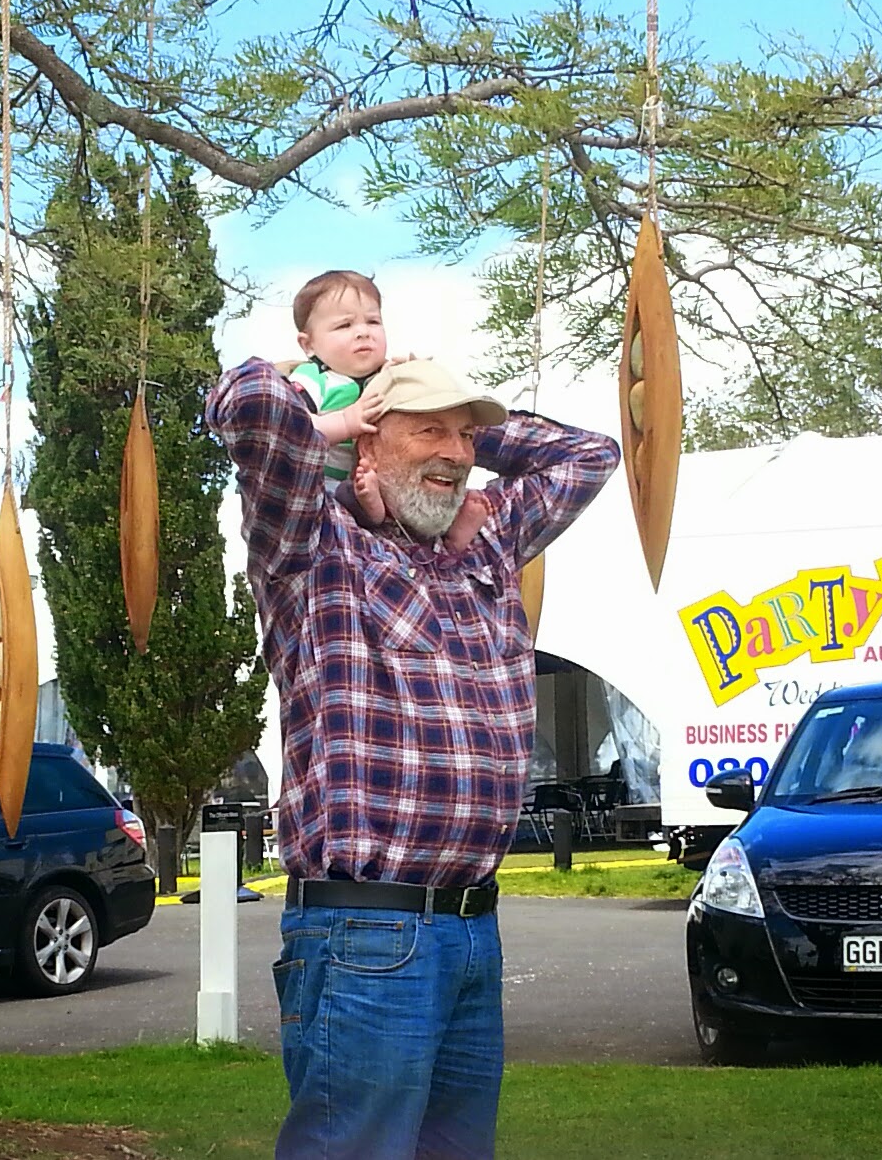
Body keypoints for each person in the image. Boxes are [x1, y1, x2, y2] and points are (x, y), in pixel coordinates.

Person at [205, 354, 619, 1160]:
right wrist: (333, 397)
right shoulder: (313, 549)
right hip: (366, 930)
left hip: (472, 929)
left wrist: (474, 440)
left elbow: (592, 454)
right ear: (369, 442)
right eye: (429, 429)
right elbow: (248, 400)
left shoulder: (489, 542)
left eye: (466, 436)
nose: (457, 452)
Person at [285, 270, 487, 549]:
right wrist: (345, 422)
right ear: (308, 345)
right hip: (327, 481)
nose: (363, 332)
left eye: (373, 321)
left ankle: (454, 535)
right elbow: (295, 428)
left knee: (432, 486)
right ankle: (371, 510)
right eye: (344, 325)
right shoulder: (313, 380)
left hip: (379, 477)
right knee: (346, 496)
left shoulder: (384, 374)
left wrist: (416, 377)